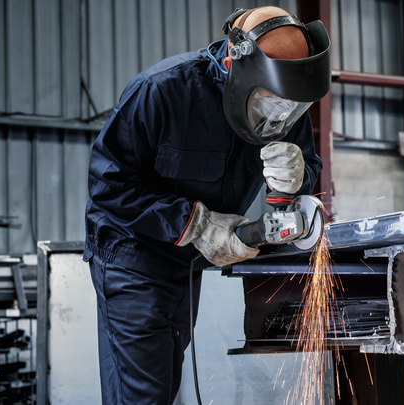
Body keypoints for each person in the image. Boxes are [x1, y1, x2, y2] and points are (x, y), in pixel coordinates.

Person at [83, 6, 330, 404]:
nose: (279, 115)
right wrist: (195, 225)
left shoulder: (285, 99)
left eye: (290, 105)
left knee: (165, 382)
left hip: (187, 263)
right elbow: (108, 185)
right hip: (133, 255)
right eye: (268, 100)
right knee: (145, 394)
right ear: (234, 66)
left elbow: (307, 164)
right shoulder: (161, 91)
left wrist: (299, 174)